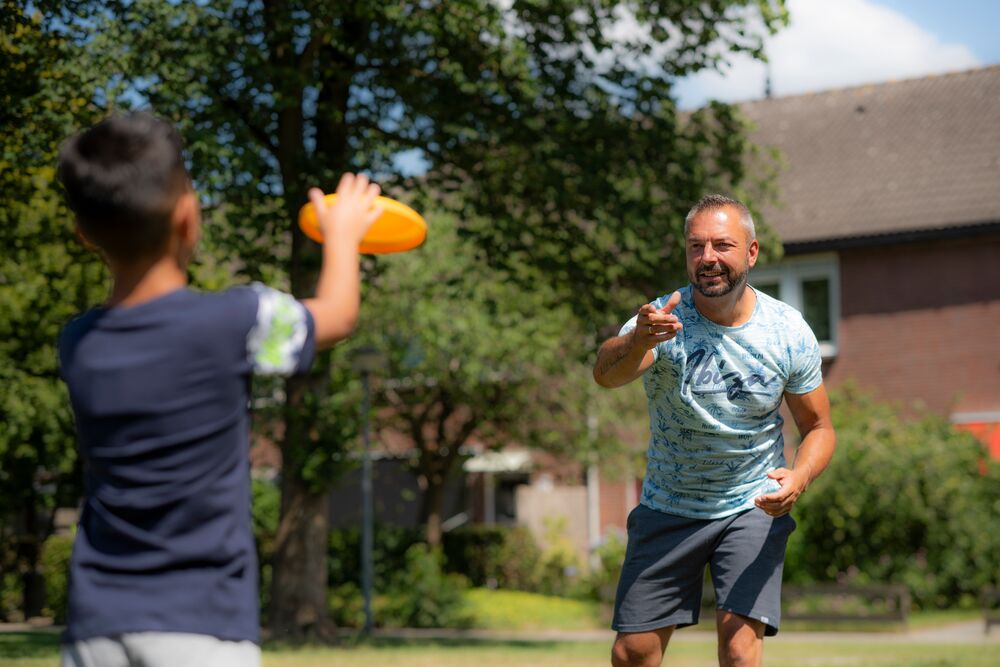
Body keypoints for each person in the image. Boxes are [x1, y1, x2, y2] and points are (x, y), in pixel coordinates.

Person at [55, 111, 381, 667]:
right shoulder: (235, 322)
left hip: (95, 624)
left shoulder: (79, 341)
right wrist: (343, 235)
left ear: (84, 234)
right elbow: (338, 315)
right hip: (200, 621)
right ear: (188, 217)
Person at [592, 194, 836, 667]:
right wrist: (637, 338)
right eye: (696, 246)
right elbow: (606, 373)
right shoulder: (661, 320)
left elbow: (820, 427)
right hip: (669, 504)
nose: (707, 258)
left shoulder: (787, 331)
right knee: (632, 653)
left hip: (751, 504)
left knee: (741, 650)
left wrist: (799, 478)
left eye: (722, 245)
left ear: (752, 252)